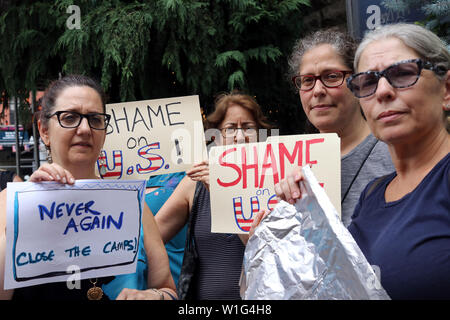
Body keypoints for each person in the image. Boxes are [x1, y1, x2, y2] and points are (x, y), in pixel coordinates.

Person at [0, 74, 177, 300]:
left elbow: (168, 288)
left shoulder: (135, 205)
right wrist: (25, 216)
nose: (84, 129)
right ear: (44, 131)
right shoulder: (9, 203)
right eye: (70, 117)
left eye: (95, 119)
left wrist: (155, 296)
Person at [345, 23, 450, 299]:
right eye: (367, 81)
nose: (382, 91)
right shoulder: (371, 194)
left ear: (447, 89)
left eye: (402, 74)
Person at [155, 92, 272, 300]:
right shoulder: (195, 184)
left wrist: (223, 193)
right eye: (230, 129)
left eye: (248, 128)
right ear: (216, 138)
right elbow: (150, 238)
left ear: (261, 135)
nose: (239, 136)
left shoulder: (274, 184)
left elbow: (268, 252)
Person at [281, 28, 394, 226]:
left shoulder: (395, 153)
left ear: (358, 81)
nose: (317, 90)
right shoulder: (287, 164)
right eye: (307, 80)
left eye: (331, 76)